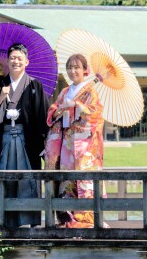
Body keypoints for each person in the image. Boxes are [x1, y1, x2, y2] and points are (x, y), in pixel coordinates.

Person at [0, 42, 49, 228]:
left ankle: (27, 221)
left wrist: (44, 145)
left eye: (19, 58)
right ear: (7, 61)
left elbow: (43, 117)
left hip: (27, 141)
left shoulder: (35, 86)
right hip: (4, 140)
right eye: (12, 58)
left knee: (26, 179)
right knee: (3, 176)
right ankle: (0, 221)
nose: (15, 61)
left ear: (27, 62)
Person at [44, 53, 106, 228]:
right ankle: (67, 217)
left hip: (85, 145)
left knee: (84, 179)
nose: (73, 71)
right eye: (70, 67)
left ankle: (86, 218)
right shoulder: (65, 91)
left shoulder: (90, 91)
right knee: (66, 177)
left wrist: (76, 105)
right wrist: (58, 110)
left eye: (77, 67)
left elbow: (95, 114)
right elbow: (54, 111)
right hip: (67, 141)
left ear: (85, 70)